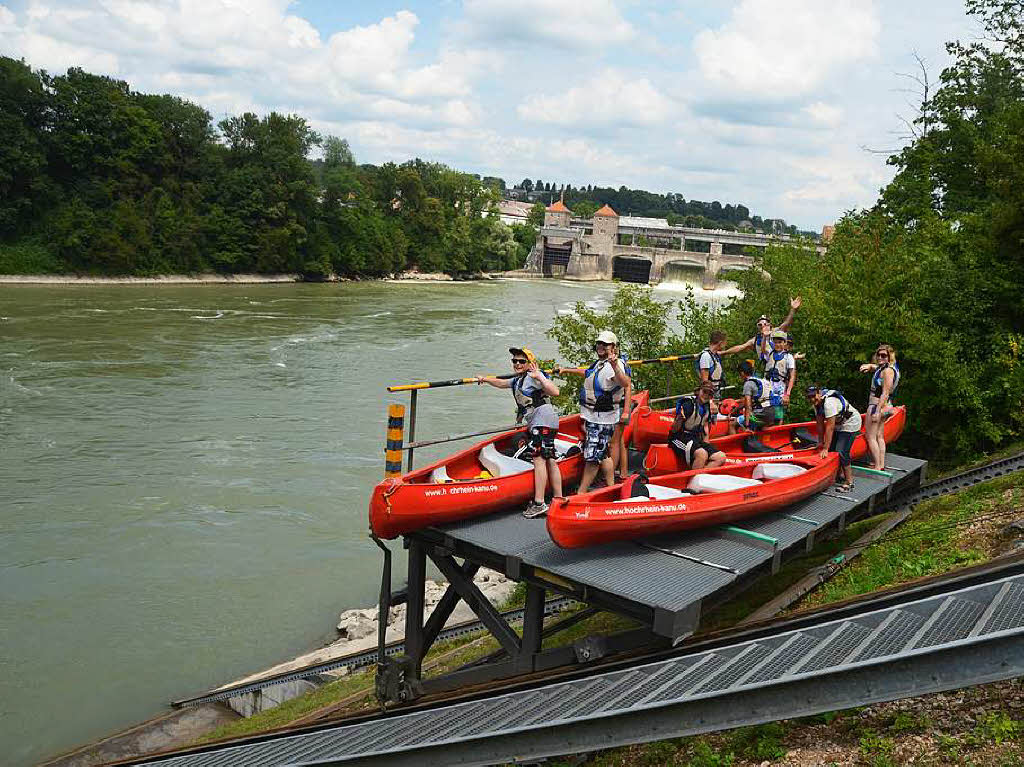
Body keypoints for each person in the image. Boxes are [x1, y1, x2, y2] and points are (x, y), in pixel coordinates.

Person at [478, 347, 562, 517]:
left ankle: (539, 503)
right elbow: (502, 383)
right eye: (514, 361)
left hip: (542, 421)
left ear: (529, 363)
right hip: (544, 422)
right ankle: (559, 498)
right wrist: (485, 379)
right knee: (550, 459)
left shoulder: (534, 377)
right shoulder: (518, 380)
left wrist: (540, 376)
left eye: (521, 361)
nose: (517, 364)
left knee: (538, 459)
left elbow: (555, 392)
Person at [557, 330, 631, 494]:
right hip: (595, 417)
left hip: (602, 420)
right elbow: (588, 373)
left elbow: (625, 382)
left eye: (605, 344)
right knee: (603, 454)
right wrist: (566, 370)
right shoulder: (600, 363)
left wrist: (614, 366)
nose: (600, 346)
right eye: (599, 343)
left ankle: (581, 493)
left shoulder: (615, 365)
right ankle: (611, 488)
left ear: (613, 347)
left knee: (592, 458)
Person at [806, 385, 863, 492]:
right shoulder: (817, 404)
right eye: (809, 397)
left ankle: (849, 481)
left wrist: (825, 448)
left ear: (819, 393)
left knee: (841, 451)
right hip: (838, 424)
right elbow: (819, 424)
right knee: (832, 449)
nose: (812, 399)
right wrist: (820, 442)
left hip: (850, 423)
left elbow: (830, 428)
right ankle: (839, 474)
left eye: (813, 396)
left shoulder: (829, 403)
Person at [722, 296, 802, 367]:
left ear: (770, 325)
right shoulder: (756, 339)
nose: (762, 326)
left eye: (765, 324)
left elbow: (786, 323)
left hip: (780, 363)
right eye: (760, 325)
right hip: (767, 365)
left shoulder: (775, 332)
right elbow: (740, 347)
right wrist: (724, 352)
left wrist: (793, 309)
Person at [859, 344, 901, 470]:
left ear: (889, 357)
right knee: (879, 436)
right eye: (878, 355)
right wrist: (869, 366)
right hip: (885, 406)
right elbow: (877, 368)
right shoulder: (887, 368)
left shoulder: (887, 371)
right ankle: (880, 464)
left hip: (877, 406)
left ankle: (877, 465)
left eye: (884, 355)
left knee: (870, 436)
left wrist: (877, 411)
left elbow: (885, 392)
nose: (880, 357)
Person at [668, 381, 727, 469]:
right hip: (678, 437)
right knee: (702, 454)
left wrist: (707, 446)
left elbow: (705, 429)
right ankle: (694, 477)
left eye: (709, 394)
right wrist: (679, 418)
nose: (706, 395)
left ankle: (700, 476)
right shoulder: (688, 405)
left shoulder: (707, 408)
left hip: (695, 439)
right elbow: (674, 430)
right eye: (704, 392)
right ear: (698, 391)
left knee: (721, 457)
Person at [728, 360, 779, 434]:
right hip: (771, 414)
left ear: (742, 373)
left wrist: (746, 426)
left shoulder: (748, 384)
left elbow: (747, 406)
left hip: (761, 415)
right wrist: (734, 411)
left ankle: (734, 445)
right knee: (755, 422)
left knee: (732, 424)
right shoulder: (763, 381)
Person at [763, 330, 796, 414]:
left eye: (780, 342)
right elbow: (763, 349)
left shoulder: (789, 357)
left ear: (785, 343)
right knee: (765, 409)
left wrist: (787, 394)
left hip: (780, 387)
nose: (777, 344)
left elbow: (792, 376)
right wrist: (764, 336)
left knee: (778, 413)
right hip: (767, 385)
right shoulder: (770, 353)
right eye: (775, 342)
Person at [696, 329, 728, 395]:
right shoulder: (706, 356)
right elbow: (705, 382)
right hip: (710, 393)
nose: (726, 344)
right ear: (720, 343)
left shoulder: (715, 355)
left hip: (716, 390)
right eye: (725, 342)